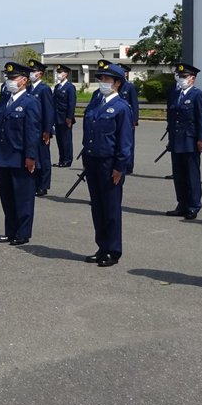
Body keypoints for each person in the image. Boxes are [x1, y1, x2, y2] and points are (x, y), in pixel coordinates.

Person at [81, 63, 134, 266]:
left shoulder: (121, 107)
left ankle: (113, 250)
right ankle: (101, 246)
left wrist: (120, 167)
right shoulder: (95, 104)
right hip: (93, 161)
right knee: (97, 207)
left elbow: (125, 141)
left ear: (117, 83)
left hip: (109, 163)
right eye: (101, 79)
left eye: (107, 80)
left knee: (111, 208)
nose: (103, 83)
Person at [0, 61, 41, 245]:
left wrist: (31, 157)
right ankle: (10, 230)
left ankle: (22, 232)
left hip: (21, 157)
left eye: (13, 78)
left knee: (23, 198)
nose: (9, 81)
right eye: (8, 78)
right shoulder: (6, 101)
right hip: (5, 156)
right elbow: (0, 131)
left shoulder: (30, 102)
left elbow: (32, 132)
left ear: (23, 80)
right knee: (7, 198)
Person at [164, 62, 202, 220]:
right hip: (176, 140)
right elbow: (171, 118)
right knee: (179, 175)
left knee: (191, 175)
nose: (181, 79)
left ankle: (194, 206)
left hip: (190, 140)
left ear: (192, 79)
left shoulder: (197, 95)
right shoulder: (174, 94)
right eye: (179, 76)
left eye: (184, 76)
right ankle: (182, 204)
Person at [27, 59, 55, 196]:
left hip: (41, 130)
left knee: (43, 159)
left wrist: (47, 131)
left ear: (40, 74)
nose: (31, 74)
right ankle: (34, 184)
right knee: (33, 157)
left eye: (33, 71)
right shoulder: (28, 89)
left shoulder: (44, 89)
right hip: (31, 130)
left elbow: (49, 111)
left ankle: (43, 185)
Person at [52, 65, 77, 167]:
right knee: (60, 140)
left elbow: (71, 103)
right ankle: (61, 159)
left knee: (66, 140)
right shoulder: (57, 87)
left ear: (66, 74)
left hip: (65, 117)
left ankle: (67, 159)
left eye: (61, 72)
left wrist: (69, 117)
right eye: (58, 72)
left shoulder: (70, 87)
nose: (59, 74)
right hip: (57, 117)